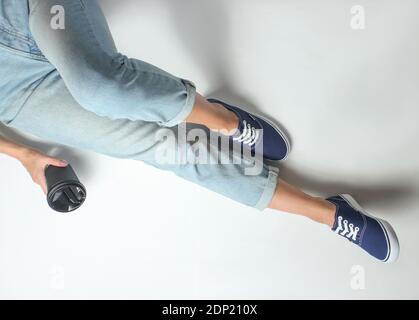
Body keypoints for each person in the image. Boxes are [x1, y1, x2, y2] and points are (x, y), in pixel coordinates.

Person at [0, 0, 399, 262]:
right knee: (162, 146)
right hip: (15, 90)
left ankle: (225, 120)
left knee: (97, 85)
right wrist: (25, 156)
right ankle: (330, 213)